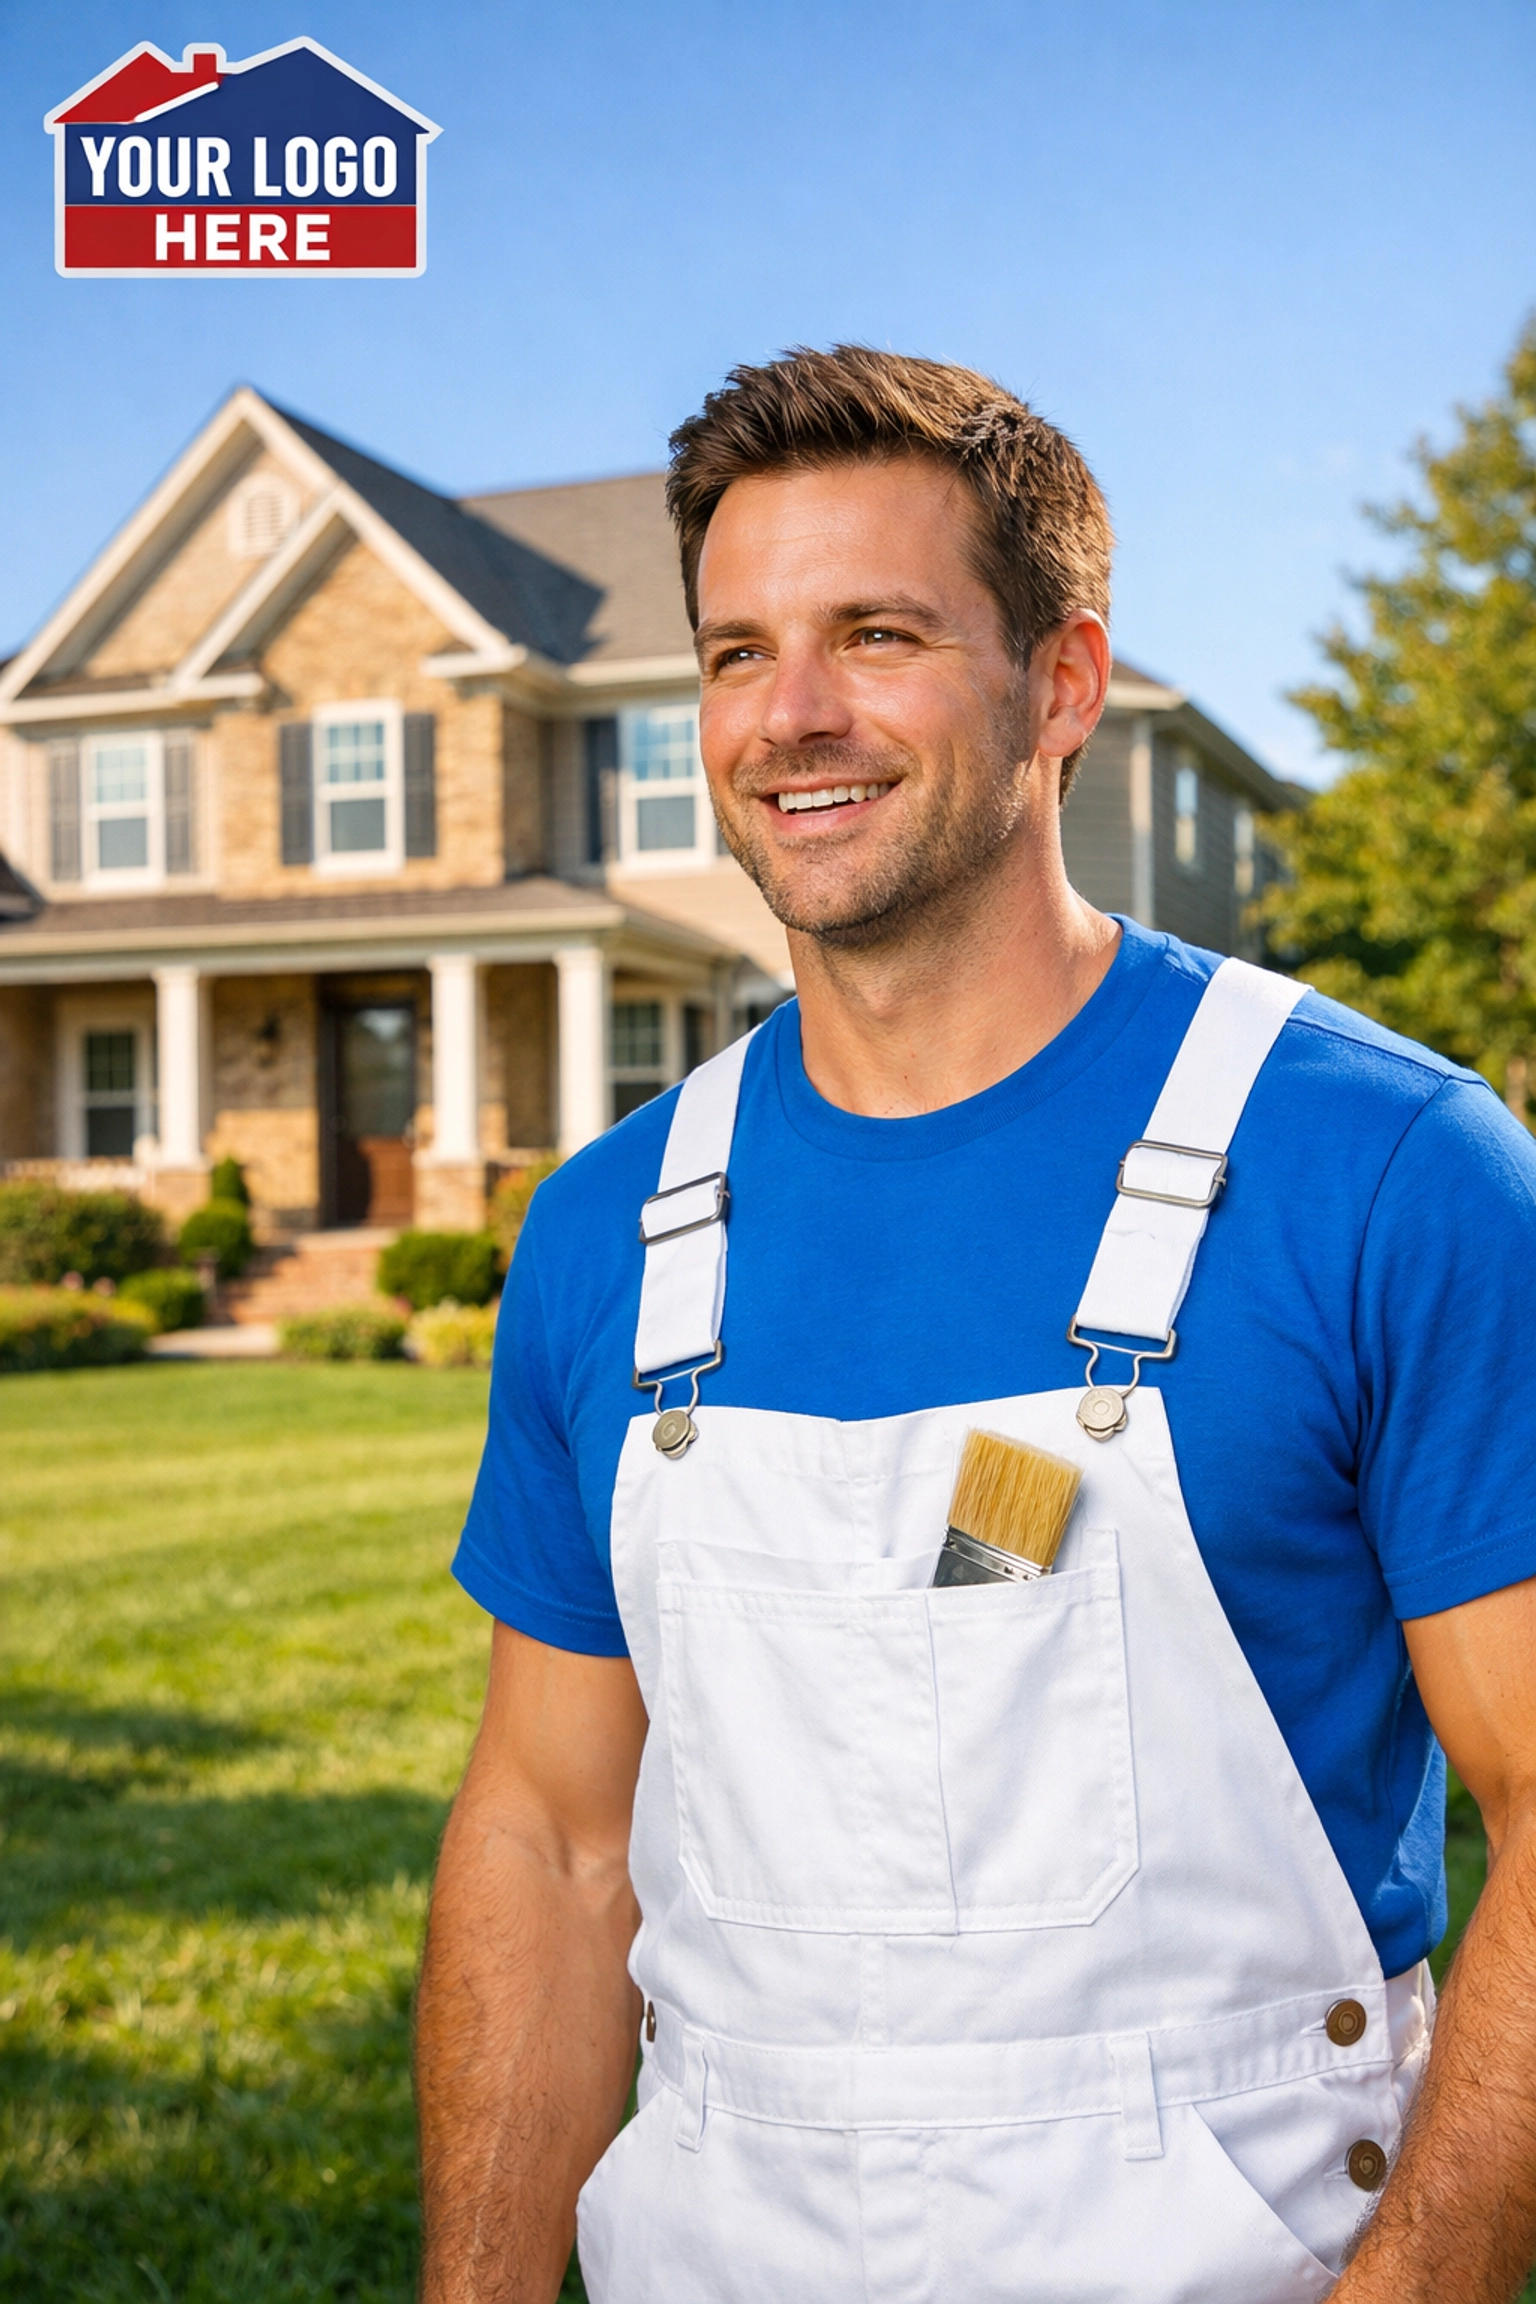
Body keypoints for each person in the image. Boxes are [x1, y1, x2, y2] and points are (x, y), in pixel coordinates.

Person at [415, 347, 1536, 2304]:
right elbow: (551, 1839)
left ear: (1063, 685)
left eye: (878, 634)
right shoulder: (612, 1235)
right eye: (739, 652)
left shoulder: (1389, 1167)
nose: (795, 716)